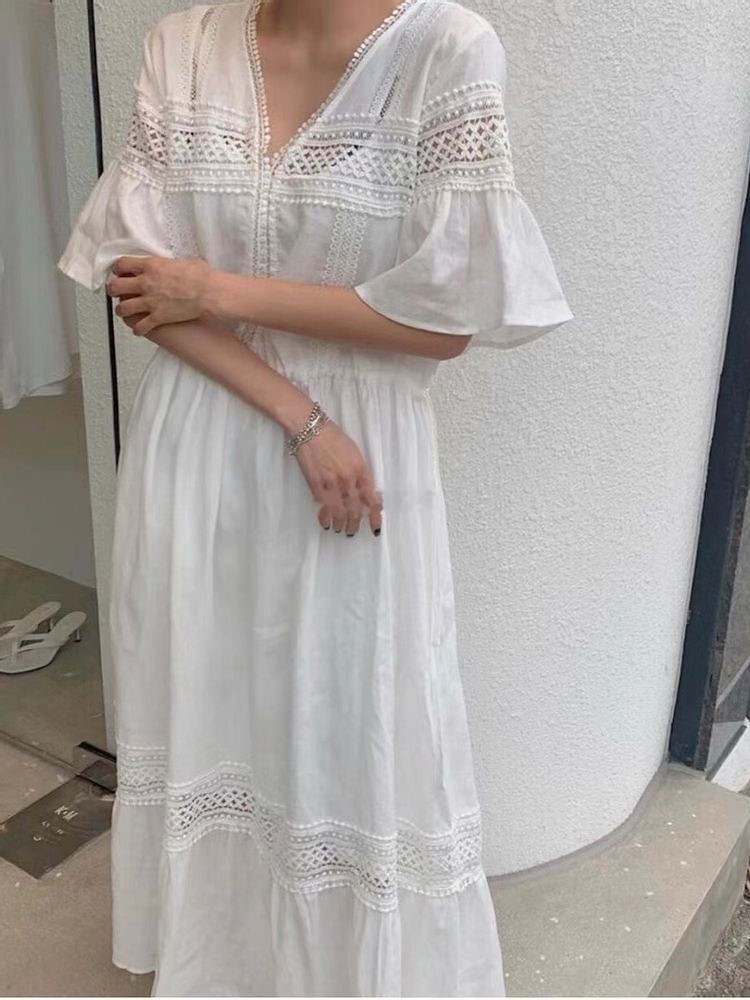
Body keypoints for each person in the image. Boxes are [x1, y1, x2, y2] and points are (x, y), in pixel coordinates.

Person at [58, 0, 574, 995]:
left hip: (359, 462)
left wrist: (218, 290)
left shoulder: (447, 51)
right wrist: (301, 416)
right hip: (203, 439)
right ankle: (222, 963)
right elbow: (138, 287)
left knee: (350, 717)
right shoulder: (180, 47)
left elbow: (446, 322)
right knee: (211, 700)